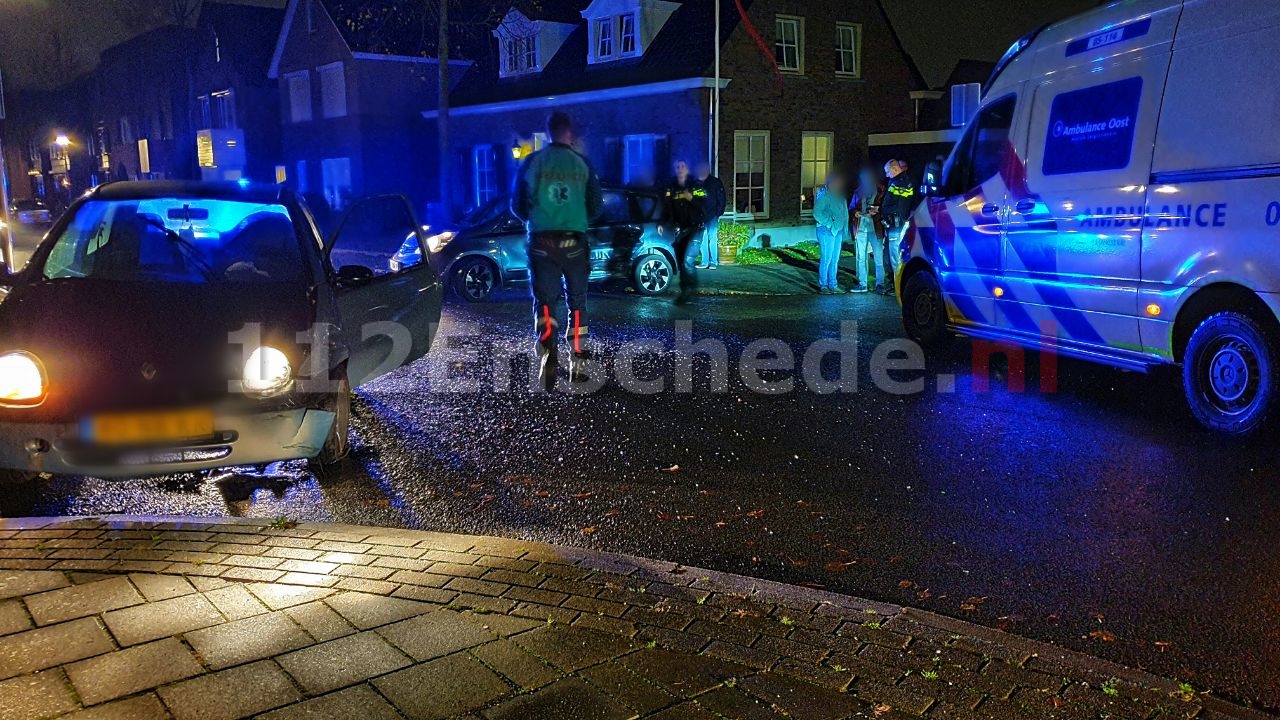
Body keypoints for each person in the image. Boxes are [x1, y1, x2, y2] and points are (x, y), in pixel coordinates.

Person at [512, 111, 603, 391]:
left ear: (549, 132)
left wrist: (537, 218)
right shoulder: (582, 164)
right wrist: (576, 216)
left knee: (546, 302)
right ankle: (578, 364)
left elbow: (517, 206)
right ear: (569, 133)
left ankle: (548, 355)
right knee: (577, 303)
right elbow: (596, 207)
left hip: (541, 242)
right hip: (574, 242)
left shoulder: (533, 162)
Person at [660, 160, 707, 305]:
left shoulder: (696, 185)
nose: (680, 169)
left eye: (682, 166)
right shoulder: (671, 187)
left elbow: (704, 205)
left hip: (695, 228)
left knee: (688, 261)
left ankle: (689, 290)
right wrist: (662, 222)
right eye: (677, 167)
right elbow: (667, 207)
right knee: (681, 262)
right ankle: (685, 289)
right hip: (680, 230)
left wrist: (691, 198)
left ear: (687, 169)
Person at [879, 159, 917, 295]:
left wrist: (882, 212)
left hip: (895, 225)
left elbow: (897, 207)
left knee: (895, 259)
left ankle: (897, 289)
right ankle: (893, 286)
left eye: (888, 172)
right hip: (894, 224)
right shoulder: (902, 181)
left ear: (894, 170)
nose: (887, 175)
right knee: (889, 257)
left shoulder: (899, 183)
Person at [850, 166, 886, 294]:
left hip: (876, 228)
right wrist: (856, 213)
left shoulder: (881, 190)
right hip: (861, 228)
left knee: (878, 257)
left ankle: (880, 284)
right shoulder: (858, 192)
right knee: (861, 257)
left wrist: (878, 210)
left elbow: (886, 207)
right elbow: (852, 208)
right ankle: (862, 283)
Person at [812, 172, 850, 294]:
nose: (839, 185)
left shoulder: (839, 196)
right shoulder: (824, 196)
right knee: (827, 258)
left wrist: (844, 229)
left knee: (835, 259)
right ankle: (823, 285)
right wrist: (830, 223)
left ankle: (833, 284)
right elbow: (817, 213)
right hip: (826, 231)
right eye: (836, 182)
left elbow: (844, 214)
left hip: (837, 231)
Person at [694, 161, 726, 269]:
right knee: (702, 239)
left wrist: (718, 213)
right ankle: (705, 261)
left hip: (712, 215)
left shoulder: (715, 183)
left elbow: (721, 199)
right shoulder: (697, 184)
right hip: (700, 216)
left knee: (712, 239)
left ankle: (713, 262)